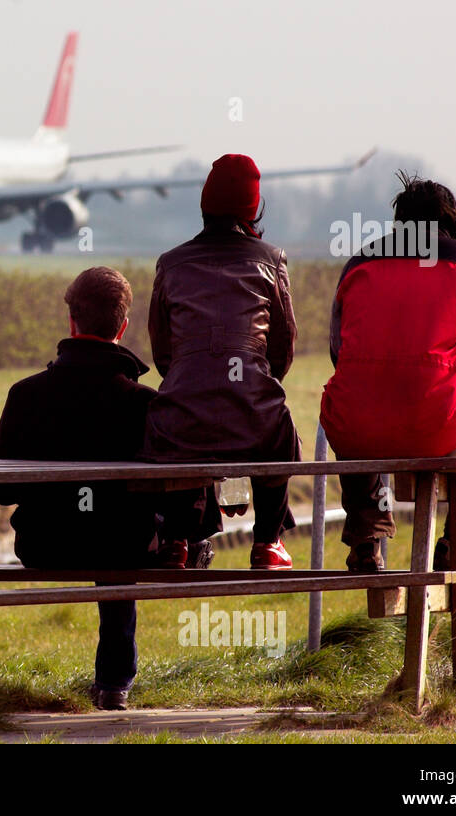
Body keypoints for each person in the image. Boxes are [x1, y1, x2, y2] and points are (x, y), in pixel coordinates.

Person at [321, 173, 456, 572]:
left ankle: (365, 539)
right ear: (452, 223)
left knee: (356, 400)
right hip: (436, 424)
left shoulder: (359, 264)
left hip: (356, 427)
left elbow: (339, 354)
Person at [0, 266, 159, 711]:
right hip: (126, 548)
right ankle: (114, 683)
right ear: (122, 326)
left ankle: (114, 681)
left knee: (109, 536)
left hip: (45, 544)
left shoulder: (25, 394)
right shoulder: (145, 403)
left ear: (71, 322)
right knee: (119, 539)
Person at [141, 153, 300, 570]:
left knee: (175, 425)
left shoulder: (170, 263)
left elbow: (162, 353)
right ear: (253, 207)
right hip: (255, 417)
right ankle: (268, 541)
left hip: (182, 413)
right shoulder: (271, 260)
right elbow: (282, 349)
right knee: (281, 431)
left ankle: (175, 540)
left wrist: (190, 376)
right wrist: (256, 382)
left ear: (204, 204)